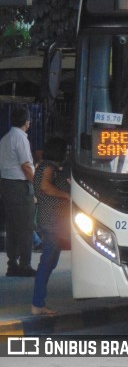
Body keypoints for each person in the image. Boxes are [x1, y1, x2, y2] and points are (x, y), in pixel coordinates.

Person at [31, 137, 70, 315]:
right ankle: (38, 303)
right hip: (51, 221)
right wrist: (66, 195)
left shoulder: (45, 167)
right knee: (47, 262)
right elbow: (46, 187)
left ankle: (39, 302)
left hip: (51, 220)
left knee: (49, 262)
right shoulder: (48, 168)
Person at [0, 105, 37, 277]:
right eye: (28, 119)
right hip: (20, 186)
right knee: (26, 227)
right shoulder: (21, 138)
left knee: (12, 226)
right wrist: (35, 185)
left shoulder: (5, 138)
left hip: (6, 185)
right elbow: (26, 166)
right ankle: (25, 265)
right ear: (25, 121)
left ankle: (12, 264)